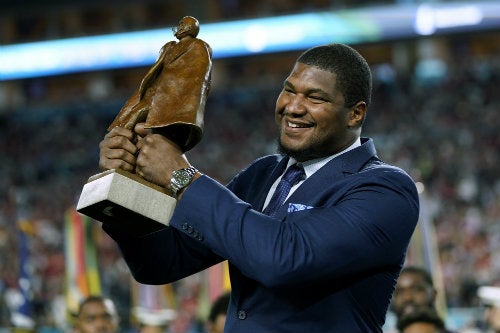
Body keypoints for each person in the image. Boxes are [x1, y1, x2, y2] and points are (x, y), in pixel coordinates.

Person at [99, 43, 419, 332]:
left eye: (314, 97)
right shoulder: (262, 174)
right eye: (289, 90)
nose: (292, 107)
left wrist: (181, 176)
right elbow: (163, 262)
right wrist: (126, 185)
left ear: (355, 113)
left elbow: (284, 259)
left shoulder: (384, 189)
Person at [109, 15, 213, 152]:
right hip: (155, 95)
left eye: (182, 25)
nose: (178, 28)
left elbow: (199, 79)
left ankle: (121, 148)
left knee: (135, 117)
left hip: (170, 99)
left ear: (190, 28)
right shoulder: (169, 47)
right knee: (131, 118)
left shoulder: (198, 46)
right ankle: (120, 150)